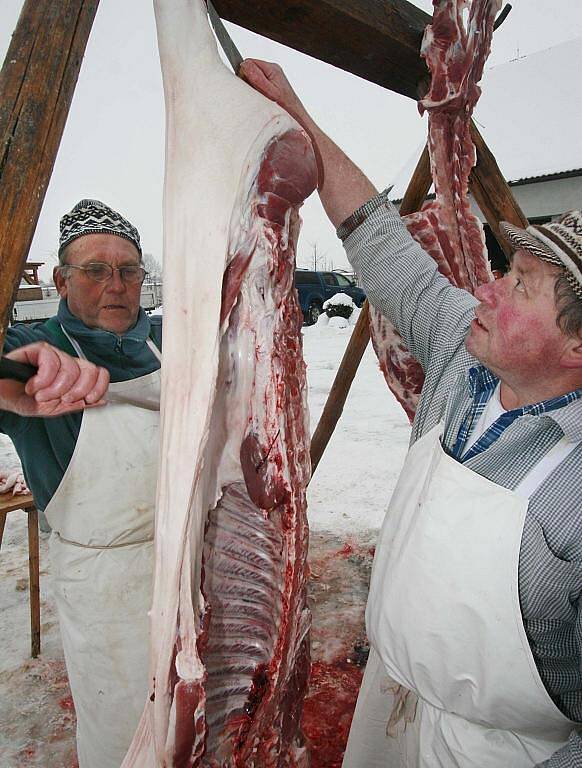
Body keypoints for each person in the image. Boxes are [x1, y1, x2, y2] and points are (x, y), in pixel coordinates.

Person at [240, 59, 582, 767]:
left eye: (519, 288)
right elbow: (380, 239)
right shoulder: (466, 354)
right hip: (391, 706)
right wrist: (298, 112)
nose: (486, 292)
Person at [0, 199, 162, 768]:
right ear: (62, 280)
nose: (115, 285)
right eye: (95, 270)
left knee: (194, 724)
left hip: (182, 570)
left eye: (128, 271)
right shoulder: (25, 353)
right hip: (103, 587)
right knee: (123, 737)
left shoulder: (163, 345)